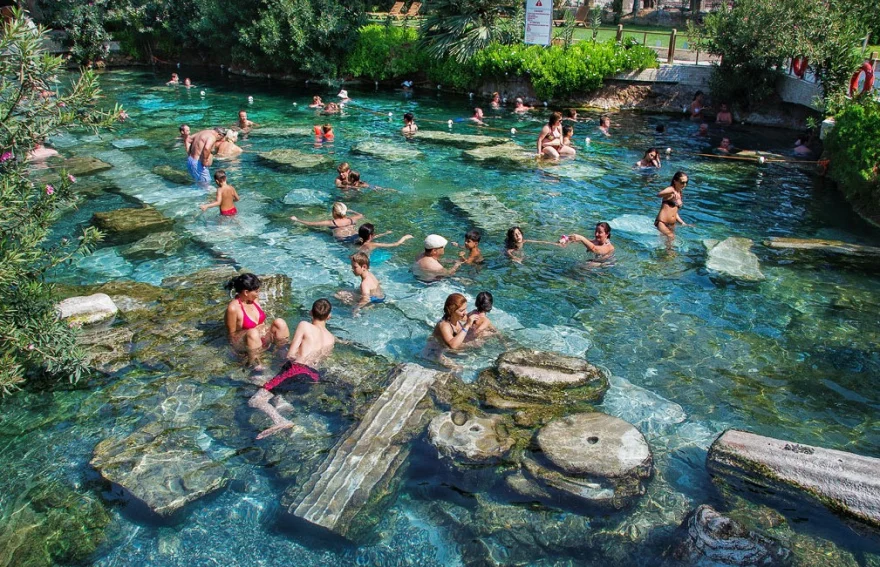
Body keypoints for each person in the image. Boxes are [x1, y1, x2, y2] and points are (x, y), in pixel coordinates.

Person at [248, 299, 334, 440]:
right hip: (314, 376)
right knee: (274, 385)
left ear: (311, 312)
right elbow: (321, 360)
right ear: (329, 316)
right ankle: (280, 401)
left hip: (298, 370)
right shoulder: (331, 338)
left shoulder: (304, 325)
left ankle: (280, 421)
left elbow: (291, 354)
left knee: (255, 400)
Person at [224, 273, 290, 369]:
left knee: (280, 323)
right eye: (256, 291)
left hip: (261, 338)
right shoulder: (233, 308)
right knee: (253, 333)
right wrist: (238, 354)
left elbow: (262, 322)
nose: (258, 294)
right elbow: (231, 335)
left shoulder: (253, 299)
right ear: (246, 292)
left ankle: (283, 356)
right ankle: (256, 366)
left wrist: (263, 332)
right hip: (248, 342)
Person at [425, 293, 481, 366]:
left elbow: (475, 321)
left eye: (465, 309)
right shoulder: (444, 325)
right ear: (451, 311)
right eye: (462, 310)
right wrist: (467, 325)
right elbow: (453, 345)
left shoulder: (459, 317)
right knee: (458, 369)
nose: (465, 313)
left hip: (445, 350)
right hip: (433, 353)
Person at [290, 202, 363, 242]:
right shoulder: (352, 219)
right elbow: (361, 215)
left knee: (319, 231)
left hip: (343, 240)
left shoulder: (331, 223)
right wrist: (352, 211)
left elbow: (310, 224)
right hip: (356, 236)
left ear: (334, 212)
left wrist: (297, 219)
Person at [655, 171, 689, 241]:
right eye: (682, 182)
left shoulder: (679, 193)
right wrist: (673, 192)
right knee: (671, 236)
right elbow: (659, 194)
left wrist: (682, 223)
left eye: (686, 182)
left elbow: (674, 212)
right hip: (662, 223)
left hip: (671, 225)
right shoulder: (671, 189)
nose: (684, 184)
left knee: (667, 243)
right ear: (675, 181)